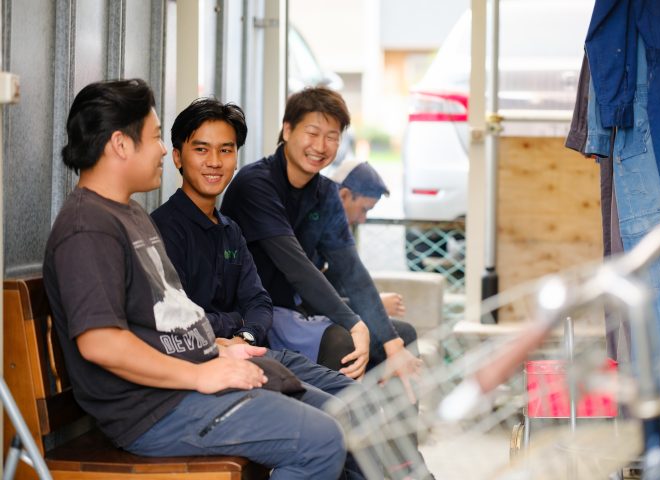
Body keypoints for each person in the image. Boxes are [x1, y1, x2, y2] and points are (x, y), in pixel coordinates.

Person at [42, 79, 349, 479]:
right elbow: (101, 343)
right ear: (120, 144)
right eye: (154, 137)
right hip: (154, 410)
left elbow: (165, 320)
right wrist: (200, 373)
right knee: (322, 439)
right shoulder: (88, 228)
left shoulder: (129, 215)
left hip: (187, 380)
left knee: (341, 411)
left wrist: (218, 349)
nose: (160, 150)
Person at [220, 87, 421, 394]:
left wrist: (392, 343)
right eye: (312, 133)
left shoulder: (326, 193)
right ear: (288, 130)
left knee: (402, 337)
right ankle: (340, 425)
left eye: (332, 136)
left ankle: (392, 428)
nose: (320, 146)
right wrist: (354, 322)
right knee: (343, 341)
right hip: (255, 314)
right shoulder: (256, 184)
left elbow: (350, 270)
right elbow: (296, 266)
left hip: (297, 311)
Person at [328, 158, 410, 321]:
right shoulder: (314, 233)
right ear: (343, 196)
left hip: (336, 317)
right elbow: (313, 303)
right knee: (404, 331)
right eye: (364, 209)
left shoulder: (336, 232)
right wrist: (374, 304)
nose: (363, 219)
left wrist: (373, 302)